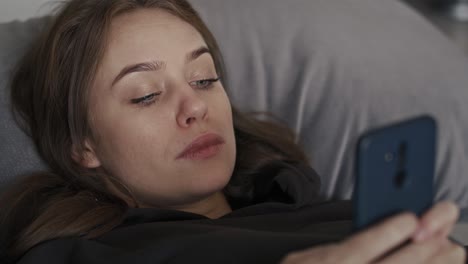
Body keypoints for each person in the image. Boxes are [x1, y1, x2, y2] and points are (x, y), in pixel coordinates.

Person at [0, 0, 465, 263]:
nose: (196, 106)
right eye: (146, 95)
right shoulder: (77, 258)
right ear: (82, 146)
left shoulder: (328, 207)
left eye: (204, 79)